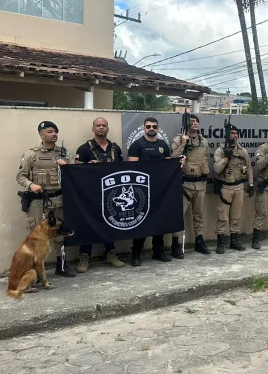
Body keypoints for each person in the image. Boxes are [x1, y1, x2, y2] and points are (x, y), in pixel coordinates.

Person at [16, 121, 75, 277]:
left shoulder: (64, 154)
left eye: (55, 131)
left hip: (59, 198)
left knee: (60, 235)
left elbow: (75, 174)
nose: (54, 134)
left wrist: (66, 166)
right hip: (38, 201)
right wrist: (31, 185)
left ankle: (61, 266)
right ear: (41, 134)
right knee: (37, 236)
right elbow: (20, 176)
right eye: (50, 131)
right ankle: (34, 271)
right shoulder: (32, 154)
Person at [73, 117, 125, 272]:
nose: (101, 128)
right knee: (87, 224)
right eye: (98, 125)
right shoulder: (84, 149)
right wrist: (88, 166)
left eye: (104, 125)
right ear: (93, 129)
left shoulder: (115, 148)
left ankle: (111, 253)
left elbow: (121, 169)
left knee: (109, 222)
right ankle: (84, 256)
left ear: (107, 129)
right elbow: (75, 171)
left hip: (111, 194)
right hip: (90, 194)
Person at [127, 117, 178, 265]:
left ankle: (158, 251)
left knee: (159, 219)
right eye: (148, 126)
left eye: (154, 126)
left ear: (157, 128)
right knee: (141, 221)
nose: (151, 129)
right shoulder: (137, 145)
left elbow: (168, 166)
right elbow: (132, 168)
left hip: (160, 189)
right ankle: (136, 252)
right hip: (142, 189)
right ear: (144, 128)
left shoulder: (163, 145)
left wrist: (177, 163)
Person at [171, 114, 211, 255]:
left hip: (200, 184)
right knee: (178, 215)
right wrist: (183, 143)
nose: (195, 123)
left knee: (199, 214)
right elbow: (174, 158)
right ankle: (175, 244)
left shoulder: (203, 141)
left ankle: (199, 241)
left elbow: (206, 158)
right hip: (185, 184)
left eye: (197, 121)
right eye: (192, 121)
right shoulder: (178, 139)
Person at [213, 122, 254, 254]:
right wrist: (226, 157)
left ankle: (234, 241)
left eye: (236, 133)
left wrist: (251, 184)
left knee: (236, 216)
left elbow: (249, 168)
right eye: (232, 133)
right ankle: (220, 243)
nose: (234, 135)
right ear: (227, 135)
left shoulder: (242, 151)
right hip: (225, 187)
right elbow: (216, 169)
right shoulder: (220, 150)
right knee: (222, 216)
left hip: (239, 187)